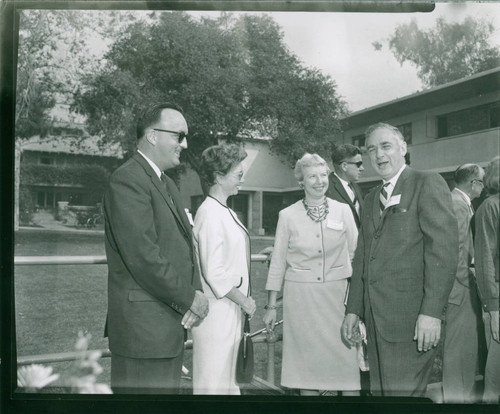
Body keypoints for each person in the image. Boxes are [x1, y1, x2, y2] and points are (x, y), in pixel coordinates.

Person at [342, 122, 458, 397]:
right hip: (375, 322)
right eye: (372, 150)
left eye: (386, 146)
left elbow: (443, 252)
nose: (379, 155)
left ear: (404, 148)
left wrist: (431, 313)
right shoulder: (370, 198)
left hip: (411, 323)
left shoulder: (426, 183)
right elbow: (362, 259)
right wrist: (353, 309)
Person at [103, 102, 208, 394]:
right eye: (179, 135)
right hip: (143, 335)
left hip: (166, 329)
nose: (184, 144)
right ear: (152, 135)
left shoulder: (167, 185)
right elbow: (144, 257)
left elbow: (186, 249)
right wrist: (190, 298)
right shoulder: (128, 179)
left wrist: (195, 292)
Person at [263, 153, 360, 396]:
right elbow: (278, 262)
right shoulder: (287, 215)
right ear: (301, 182)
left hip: (337, 299)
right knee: (306, 371)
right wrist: (272, 306)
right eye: (312, 176)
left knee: (346, 369)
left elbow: (356, 254)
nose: (319, 181)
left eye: (323, 175)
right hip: (301, 301)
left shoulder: (343, 211)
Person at [191, 144, 257, 395]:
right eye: (238, 175)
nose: (243, 179)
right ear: (219, 177)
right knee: (213, 383)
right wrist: (245, 301)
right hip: (216, 313)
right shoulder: (209, 212)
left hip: (230, 310)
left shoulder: (224, 210)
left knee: (228, 384)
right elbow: (213, 271)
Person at [442, 163, 485, 403]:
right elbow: (455, 251)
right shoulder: (458, 206)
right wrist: (468, 281)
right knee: (460, 351)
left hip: (462, 287)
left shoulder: (461, 204)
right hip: (461, 290)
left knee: (465, 351)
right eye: (482, 181)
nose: (483, 186)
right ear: (473, 183)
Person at [474, 156, 500, 403]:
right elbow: (484, 261)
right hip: (498, 299)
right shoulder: (490, 207)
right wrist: (493, 309)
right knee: (496, 379)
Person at [326, 144, 365, 230]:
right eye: (358, 164)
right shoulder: (326, 188)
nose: (362, 168)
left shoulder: (356, 188)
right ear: (344, 166)